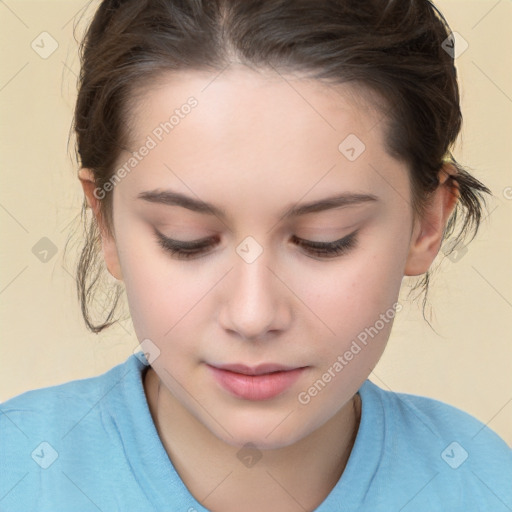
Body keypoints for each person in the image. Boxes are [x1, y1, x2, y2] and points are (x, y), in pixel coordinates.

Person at [1, 0, 511, 511]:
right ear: (105, 221)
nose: (252, 315)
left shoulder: (482, 482)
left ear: (426, 223)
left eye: (324, 239)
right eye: (186, 239)